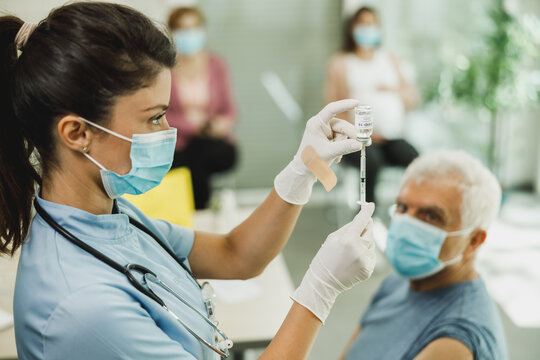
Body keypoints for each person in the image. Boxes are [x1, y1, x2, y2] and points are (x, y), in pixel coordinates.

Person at [0, 3, 376, 359]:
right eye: (154, 117)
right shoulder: (83, 307)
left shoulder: (111, 217)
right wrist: (320, 289)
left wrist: (303, 168)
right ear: (77, 132)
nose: (170, 129)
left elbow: (236, 254)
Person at [340, 150, 508, 360]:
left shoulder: (454, 339)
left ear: (473, 241)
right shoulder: (397, 283)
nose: (405, 223)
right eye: (402, 207)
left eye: (431, 216)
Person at [325, 6, 420, 203]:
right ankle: (366, 218)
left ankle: (410, 210)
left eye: (373, 24)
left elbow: (412, 97)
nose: (369, 28)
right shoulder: (341, 63)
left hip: (391, 138)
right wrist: (361, 132)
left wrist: (393, 92)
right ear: (352, 28)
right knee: (370, 162)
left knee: (416, 159)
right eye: (363, 24)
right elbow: (332, 108)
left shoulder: (390, 59)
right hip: (358, 139)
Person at [166, 6, 237, 209]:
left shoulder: (217, 65)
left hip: (215, 141)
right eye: (182, 29)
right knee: (193, 155)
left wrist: (222, 124)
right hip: (178, 145)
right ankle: (202, 210)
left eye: (193, 27)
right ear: (172, 33)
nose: (189, 34)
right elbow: (165, 114)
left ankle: (195, 212)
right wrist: (195, 127)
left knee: (200, 153)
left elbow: (230, 109)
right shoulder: (165, 68)